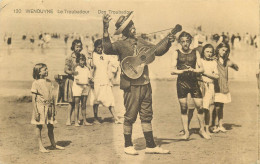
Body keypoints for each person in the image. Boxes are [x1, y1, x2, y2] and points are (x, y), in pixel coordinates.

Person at [102, 12, 175, 155]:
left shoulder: (142, 41)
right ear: (125, 30)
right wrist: (105, 27)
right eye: (131, 26)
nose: (134, 28)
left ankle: (151, 145)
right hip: (131, 85)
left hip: (145, 83)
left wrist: (169, 41)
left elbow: (158, 51)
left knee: (147, 115)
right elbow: (107, 48)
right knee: (130, 115)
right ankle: (128, 145)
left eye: (133, 25)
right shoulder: (120, 44)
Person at [171, 31, 210, 140]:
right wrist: (182, 71)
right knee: (184, 108)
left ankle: (202, 129)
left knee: (200, 106)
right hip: (181, 83)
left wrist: (194, 70)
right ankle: (186, 132)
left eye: (187, 41)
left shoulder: (195, 52)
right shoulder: (176, 53)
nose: (185, 44)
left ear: (190, 42)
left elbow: (202, 68)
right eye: (182, 41)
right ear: (179, 42)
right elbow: (172, 70)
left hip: (193, 82)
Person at [31, 63, 64, 153]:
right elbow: (33, 99)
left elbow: (52, 96)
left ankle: (53, 144)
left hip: (49, 107)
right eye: (44, 69)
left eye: (47, 69)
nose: (47, 71)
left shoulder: (49, 82)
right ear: (39, 72)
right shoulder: (35, 83)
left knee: (51, 126)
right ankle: (40, 146)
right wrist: (36, 111)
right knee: (39, 126)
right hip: (40, 108)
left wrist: (54, 108)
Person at [90, 39, 122, 124]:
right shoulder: (92, 55)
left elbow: (114, 64)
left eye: (101, 47)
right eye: (98, 48)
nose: (100, 49)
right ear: (95, 47)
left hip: (105, 80)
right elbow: (91, 69)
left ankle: (116, 118)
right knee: (96, 100)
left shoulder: (106, 55)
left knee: (110, 99)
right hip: (96, 80)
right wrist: (91, 80)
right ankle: (96, 118)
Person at [213, 42, 239, 132]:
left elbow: (236, 67)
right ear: (218, 49)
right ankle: (213, 124)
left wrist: (234, 65)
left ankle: (220, 125)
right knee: (216, 106)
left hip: (223, 85)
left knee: (221, 105)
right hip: (215, 85)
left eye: (226, 51)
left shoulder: (226, 60)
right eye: (222, 50)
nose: (224, 52)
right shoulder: (214, 59)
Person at [200, 44, 219, 137]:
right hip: (200, 85)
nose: (209, 53)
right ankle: (201, 128)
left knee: (208, 109)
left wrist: (205, 73)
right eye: (207, 51)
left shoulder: (214, 63)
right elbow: (197, 73)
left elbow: (216, 76)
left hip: (210, 85)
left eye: (211, 52)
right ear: (203, 51)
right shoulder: (200, 61)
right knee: (200, 108)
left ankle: (206, 128)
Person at [64, 39, 82, 126]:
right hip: (71, 80)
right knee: (71, 101)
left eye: (80, 47)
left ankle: (77, 119)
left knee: (78, 101)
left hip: (79, 81)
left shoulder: (82, 56)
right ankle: (68, 119)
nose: (79, 48)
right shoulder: (69, 57)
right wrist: (72, 73)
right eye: (77, 47)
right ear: (73, 47)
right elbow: (66, 70)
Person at [72, 54, 93, 126]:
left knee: (84, 105)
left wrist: (89, 81)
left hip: (85, 88)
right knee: (76, 105)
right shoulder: (76, 69)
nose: (82, 62)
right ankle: (76, 121)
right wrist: (86, 83)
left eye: (83, 60)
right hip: (78, 88)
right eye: (81, 60)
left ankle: (84, 121)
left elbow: (89, 77)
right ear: (78, 61)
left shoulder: (87, 68)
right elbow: (77, 81)